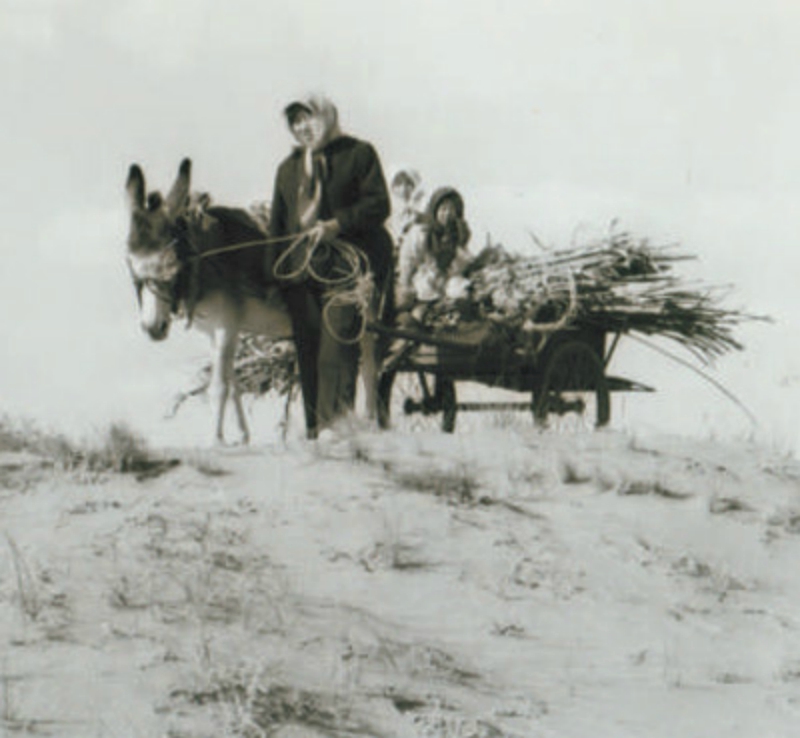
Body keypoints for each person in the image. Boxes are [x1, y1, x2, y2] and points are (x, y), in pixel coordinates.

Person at [268, 95, 394, 439]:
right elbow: (277, 228)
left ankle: (336, 426)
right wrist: (274, 279)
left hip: (344, 269)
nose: (301, 128)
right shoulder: (288, 169)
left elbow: (379, 204)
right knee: (308, 349)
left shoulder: (358, 154)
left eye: (307, 118)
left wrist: (337, 224)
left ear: (326, 116)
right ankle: (314, 430)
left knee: (337, 345)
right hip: (299, 274)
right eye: (294, 122)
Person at [395, 186, 473, 327]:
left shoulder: (459, 235)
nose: (447, 214)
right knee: (414, 316)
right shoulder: (421, 233)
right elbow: (408, 260)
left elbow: (460, 265)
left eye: (452, 209)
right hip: (422, 282)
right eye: (443, 209)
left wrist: (459, 247)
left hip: (446, 284)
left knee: (459, 294)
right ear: (435, 210)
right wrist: (405, 285)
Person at [388, 167, 425, 249]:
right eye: (399, 184)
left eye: (408, 184)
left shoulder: (418, 210)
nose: (403, 189)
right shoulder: (389, 209)